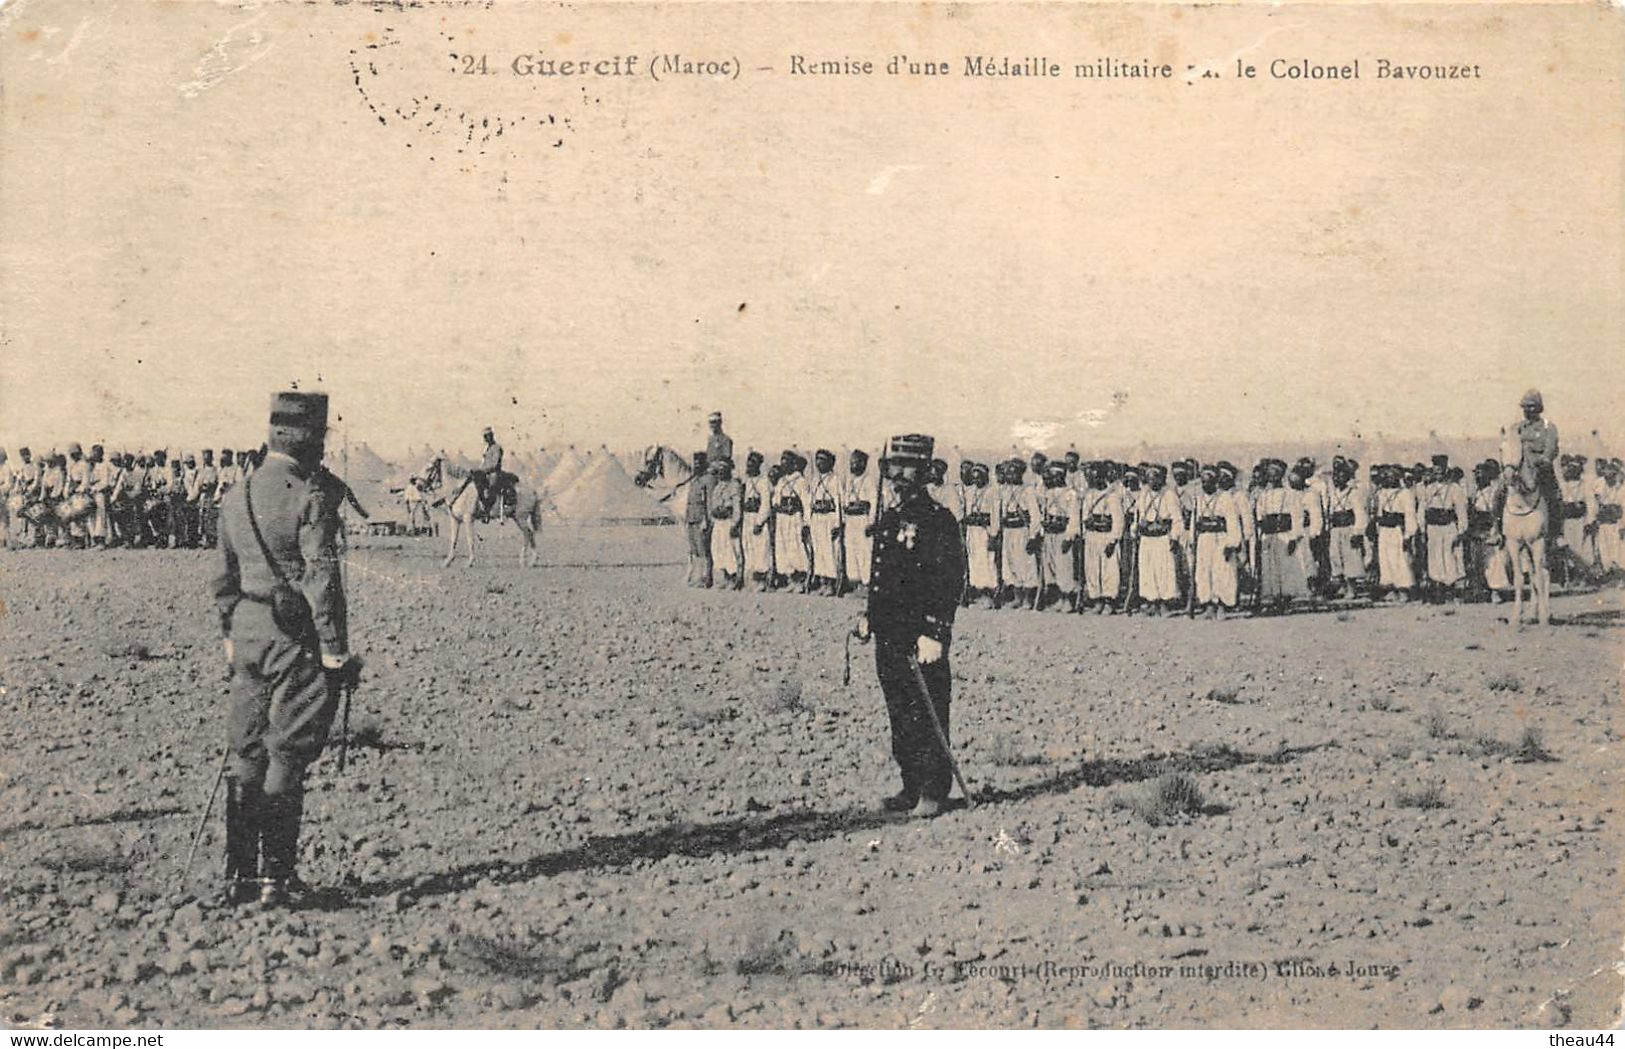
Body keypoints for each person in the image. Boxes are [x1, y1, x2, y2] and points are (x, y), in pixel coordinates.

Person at [212, 391, 361, 906]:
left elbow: (222, 579)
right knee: (287, 753)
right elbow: (321, 579)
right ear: (310, 439)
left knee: (245, 750)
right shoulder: (311, 496)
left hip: (247, 631)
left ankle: (238, 877)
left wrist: (231, 637)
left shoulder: (237, 494)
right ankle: (277, 879)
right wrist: (336, 652)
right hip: (294, 636)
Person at [855, 433, 967, 819]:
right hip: (890, 632)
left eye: (906, 468)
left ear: (922, 472)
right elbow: (882, 573)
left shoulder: (938, 521)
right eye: (892, 467)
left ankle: (935, 789)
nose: (897, 475)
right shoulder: (890, 516)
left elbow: (949, 579)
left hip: (920, 635)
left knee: (928, 710)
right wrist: (870, 613)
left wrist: (936, 631)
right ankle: (910, 784)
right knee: (900, 711)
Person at [1135, 464, 1185, 615]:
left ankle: (1164, 603)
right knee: (1148, 570)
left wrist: (1175, 537)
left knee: (1163, 571)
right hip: (1147, 537)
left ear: (1161, 479)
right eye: (1149, 478)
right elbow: (1139, 515)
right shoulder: (1144, 494)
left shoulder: (1169, 495)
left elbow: (1177, 519)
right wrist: (1137, 528)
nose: (1151, 481)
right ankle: (1152, 602)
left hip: (1162, 538)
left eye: (1155, 478)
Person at [1079, 461, 1126, 614]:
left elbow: (1118, 520)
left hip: (1107, 537)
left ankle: (1109, 601)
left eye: (1095, 476)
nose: (1091, 479)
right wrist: (1088, 523)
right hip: (1092, 536)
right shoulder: (1089, 495)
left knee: (1109, 570)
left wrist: (1113, 540)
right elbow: (1084, 516)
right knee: (1092, 568)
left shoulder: (1112, 496)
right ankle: (1096, 599)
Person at [1422, 455, 1469, 601]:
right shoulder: (1428, 489)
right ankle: (1438, 589)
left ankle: (1454, 591)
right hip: (1433, 527)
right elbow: (1422, 510)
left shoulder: (1455, 489)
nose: (1438, 474)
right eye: (1435, 471)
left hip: (1448, 526)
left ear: (1445, 470)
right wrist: (1422, 529)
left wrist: (1461, 530)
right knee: (1435, 557)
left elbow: (1461, 511)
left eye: (1440, 471)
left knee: (1450, 556)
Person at [1035, 462, 1079, 611]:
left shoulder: (1071, 494)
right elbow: (1044, 513)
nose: (1052, 479)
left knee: (1064, 567)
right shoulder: (1048, 493)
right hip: (1049, 534)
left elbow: (1074, 518)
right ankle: (1057, 598)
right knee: (1050, 567)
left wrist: (1069, 537)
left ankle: (1068, 600)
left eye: (1055, 476)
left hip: (1062, 534)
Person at [998, 459, 1040, 609]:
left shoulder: (1028, 491)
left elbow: (1035, 516)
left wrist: (1033, 536)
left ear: (1020, 473)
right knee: (1010, 564)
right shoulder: (1005, 491)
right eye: (1008, 472)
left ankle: (1028, 599)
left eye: (1013, 472)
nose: (1009, 475)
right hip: (1008, 531)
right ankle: (1017, 597)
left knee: (1026, 564)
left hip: (1022, 532)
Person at [1325, 457, 1369, 597]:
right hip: (1336, 528)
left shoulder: (1353, 492)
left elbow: (1360, 513)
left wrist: (1358, 531)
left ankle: (1352, 587)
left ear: (1347, 476)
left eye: (1341, 475)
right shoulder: (1332, 493)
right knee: (1335, 556)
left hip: (1348, 527)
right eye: (1335, 475)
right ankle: (1342, 584)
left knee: (1351, 557)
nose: (1337, 478)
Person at [959, 462, 1002, 607]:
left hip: (985, 531)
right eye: (974, 478)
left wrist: (993, 535)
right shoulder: (970, 491)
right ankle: (976, 593)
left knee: (987, 562)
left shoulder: (992, 491)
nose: (977, 481)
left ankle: (989, 595)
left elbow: (995, 515)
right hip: (973, 531)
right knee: (974, 562)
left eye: (979, 478)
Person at [804, 449, 844, 595]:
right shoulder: (814, 480)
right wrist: (807, 523)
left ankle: (831, 583)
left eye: (823, 459)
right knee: (818, 550)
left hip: (829, 518)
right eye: (817, 459)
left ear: (830, 462)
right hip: (817, 518)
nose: (819, 462)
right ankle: (821, 581)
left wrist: (837, 524)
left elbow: (839, 503)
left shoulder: (835, 480)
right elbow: (809, 502)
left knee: (829, 551)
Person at [838, 450, 876, 594]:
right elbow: (844, 502)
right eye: (851, 462)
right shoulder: (849, 481)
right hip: (851, 521)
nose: (853, 465)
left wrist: (871, 522)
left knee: (864, 551)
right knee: (851, 550)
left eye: (856, 462)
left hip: (862, 520)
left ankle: (866, 585)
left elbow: (873, 503)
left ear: (864, 464)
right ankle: (856, 583)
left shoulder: (869, 481)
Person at [771, 451, 810, 588]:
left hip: (794, 518)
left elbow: (806, 503)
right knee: (783, 548)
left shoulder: (800, 481)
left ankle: (800, 579)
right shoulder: (781, 481)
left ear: (793, 464)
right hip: (782, 518)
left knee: (795, 547)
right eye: (782, 461)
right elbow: (775, 500)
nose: (783, 464)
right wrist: (779, 507)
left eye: (786, 461)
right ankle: (790, 579)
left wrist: (806, 522)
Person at [707, 457, 746, 590]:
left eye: (724, 469)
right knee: (718, 549)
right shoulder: (718, 486)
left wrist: (735, 523)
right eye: (720, 470)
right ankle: (724, 577)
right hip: (718, 522)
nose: (722, 472)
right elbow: (713, 504)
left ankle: (734, 578)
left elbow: (737, 506)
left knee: (730, 550)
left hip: (729, 521)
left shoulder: (734, 485)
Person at [741, 451, 776, 590]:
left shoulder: (763, 482)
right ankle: (751, 579)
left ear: (758, 466)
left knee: (761, 548)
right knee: (749, 547)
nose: (749, 467)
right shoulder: (748, 481)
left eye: (752, 464)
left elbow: (766, 503)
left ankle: (762, 580)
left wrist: (759, 522)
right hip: (747, 517)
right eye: (748, 464)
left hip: (757, 518)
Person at [683, 449, 715, 587]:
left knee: (704, 550)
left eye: (699, 463)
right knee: (695, 549)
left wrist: (706, 520)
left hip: (701, 518)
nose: (696, 465)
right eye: (695, 463)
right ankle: (697, 576)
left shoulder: (709, 480)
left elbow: (709, 501)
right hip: (691, 518)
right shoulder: (694, 480)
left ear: (705, 464)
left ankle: (706, 577)